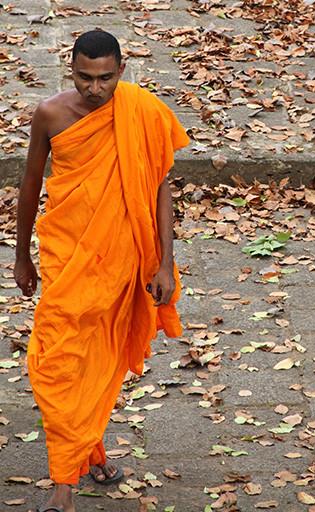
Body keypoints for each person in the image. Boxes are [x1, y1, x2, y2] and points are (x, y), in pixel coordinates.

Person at [14, 30, 189, 512]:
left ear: (122, 71)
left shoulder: (142, 111)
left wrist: (164, 263)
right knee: (58, 358)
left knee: (102, 356)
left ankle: (77, 465)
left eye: (106, 78)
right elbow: (30, 187)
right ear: (70, 71)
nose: (95, 89)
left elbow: (159, 189)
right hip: (67, 255)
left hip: (123, 256)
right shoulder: (50, 115)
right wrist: (21, 254)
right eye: (85, 78)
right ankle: (67, 476)